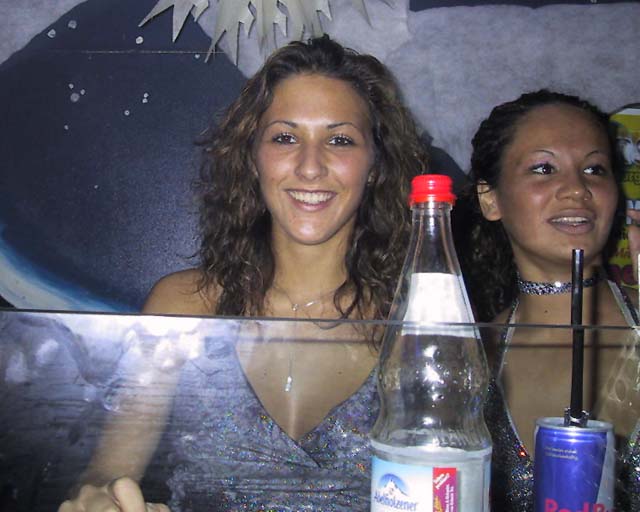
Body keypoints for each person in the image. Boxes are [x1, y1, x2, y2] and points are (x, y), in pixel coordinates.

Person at [59, 35, 429, 512]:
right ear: (252, 158)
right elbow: (108, 471)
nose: (310, 167)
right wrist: (102, 499)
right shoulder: (183, 306)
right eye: (285, 138)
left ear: (375, 165)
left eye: (339, 140)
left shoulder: (418, 322)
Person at [455, 89, 640, 511]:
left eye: (594, 169)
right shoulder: (470, 353)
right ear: (490, 198)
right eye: (544, 168)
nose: (577, 189)